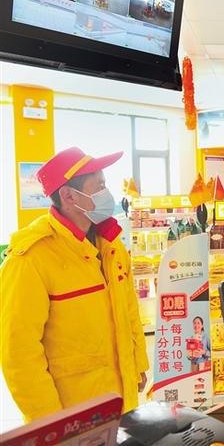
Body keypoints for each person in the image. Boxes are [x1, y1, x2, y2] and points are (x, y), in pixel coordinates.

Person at [0, 147, 149, 422]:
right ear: (69, 196)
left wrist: (138, 364)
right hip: (74, 413)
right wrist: (50, 423)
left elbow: (129, 310)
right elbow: (19, 353)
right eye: (99, 186)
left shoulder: (111, 245)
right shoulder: (31, 259)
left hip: (122, 399)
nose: (107, 194)